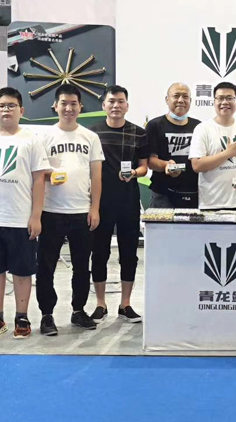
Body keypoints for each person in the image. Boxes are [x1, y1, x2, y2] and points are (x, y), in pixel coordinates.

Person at [0, 87, 50, 339]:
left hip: (20, 219)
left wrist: (36, 216)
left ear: (21, 110)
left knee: (22, 272)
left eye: (11, 105)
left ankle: (21, 318)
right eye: (2, 105)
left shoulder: (32, 140)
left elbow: (39, 180)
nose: (6, 110)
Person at [36, 84, 104, 336]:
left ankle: (78, 310)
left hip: (81, 211)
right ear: (55, 106)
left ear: (80, 107)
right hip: (50, 211)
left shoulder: (90, 137)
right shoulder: (44, 137)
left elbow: (96, 176)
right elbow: (36, 173)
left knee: (81, 266)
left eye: (73, 103)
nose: (68, 108)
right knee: (46, 266)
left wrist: (94, 208)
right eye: (64, 103)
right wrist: (49, 175)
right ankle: (46, 314)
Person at [89, 85, 148, 324]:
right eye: (111, 101)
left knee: (129, 253)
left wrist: (133, 173)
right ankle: (100, 303)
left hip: (128, 200)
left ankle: (125, 304)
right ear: (104, 105)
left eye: (121, 101)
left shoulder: (139, 133)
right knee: (99, 252)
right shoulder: (92, 133)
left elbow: (144, 167)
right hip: (100, 201)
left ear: (127, 105)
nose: (116, 105)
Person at [189, 81, 236, 210]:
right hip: (211, 203)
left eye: (229, 98)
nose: (225, 102)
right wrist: (227, 154)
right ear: (214, 102)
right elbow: (197, 165)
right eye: (220, 98)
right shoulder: (203, 128)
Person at [146, 82, 201, 208]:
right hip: (163, 194)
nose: (181, 100)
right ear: (167, 99)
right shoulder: (154, 125)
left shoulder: (199, 126)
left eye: (185, 96)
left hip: (194, 192)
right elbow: (150, 161)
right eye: (176, 96)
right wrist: (166, 165)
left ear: (190, 100)